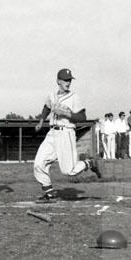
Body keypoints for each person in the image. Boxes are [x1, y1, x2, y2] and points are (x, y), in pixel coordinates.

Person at [33, 68, 101, 202]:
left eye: (69, 80)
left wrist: (66, 114)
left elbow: (82, 117)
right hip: (52, 133)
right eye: (65, 80)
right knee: (38, 164)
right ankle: (49, 193)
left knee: (69, 171)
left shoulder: (74, 97)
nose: (68, 82)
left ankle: (89, 163)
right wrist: (41, 121)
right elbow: (47, 107)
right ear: (58, 81)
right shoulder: (52, 95)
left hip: (66, 133)